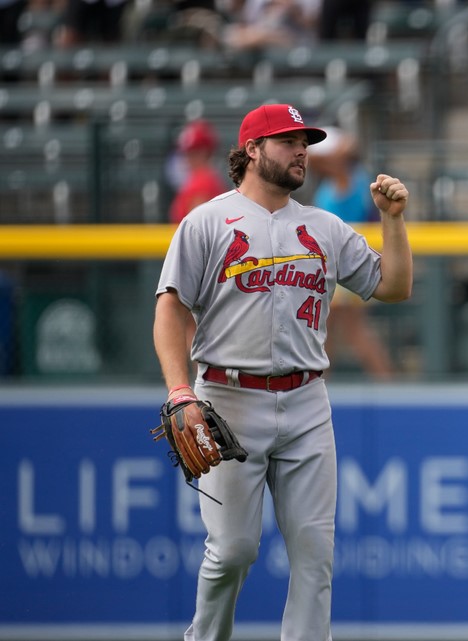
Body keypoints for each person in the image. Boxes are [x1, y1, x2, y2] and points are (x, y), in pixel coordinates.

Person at [152, 103, 413, 641]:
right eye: (289, 141)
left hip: (307, 401)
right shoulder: (207, 220)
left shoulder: (324, 226)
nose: (302, 151)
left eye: (306, 142)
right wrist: (179, 390)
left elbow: (392, 287)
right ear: (252, 150)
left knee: (316, 557)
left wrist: (393, 220)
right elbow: (170, 309)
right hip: (226, 397)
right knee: (232, 551)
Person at [307, 126, 397, 380]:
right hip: (335, 266)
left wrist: (333, 149)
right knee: (331, 331)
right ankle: (320, 382)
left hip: (347, 265)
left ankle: (388, 384)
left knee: (350, 330)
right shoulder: (335, 180)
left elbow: (348, 146)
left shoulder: (350, 177)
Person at [169, 118, 229, 225]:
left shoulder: (203, 181)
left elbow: (197, 226)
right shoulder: (203, 178)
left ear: (204, 152)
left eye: (194, 152)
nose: (187, 158)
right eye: (188, 153)